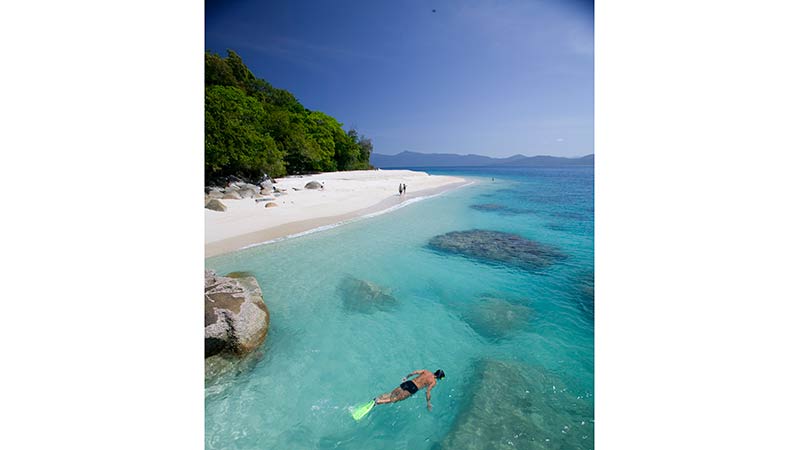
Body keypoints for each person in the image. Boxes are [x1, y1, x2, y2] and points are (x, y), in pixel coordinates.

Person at [374, 369, 445, 411]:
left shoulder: (426, 371)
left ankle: (378, 398)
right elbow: (428, 392)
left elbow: (415, 372)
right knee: (396, 399)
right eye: (441, 378)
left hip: (409, 382)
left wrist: (406, 377)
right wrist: (428, 403)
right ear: (438, 376)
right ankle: (379, 402)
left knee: (391, 394)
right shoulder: (433, 382)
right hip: (413, 388)